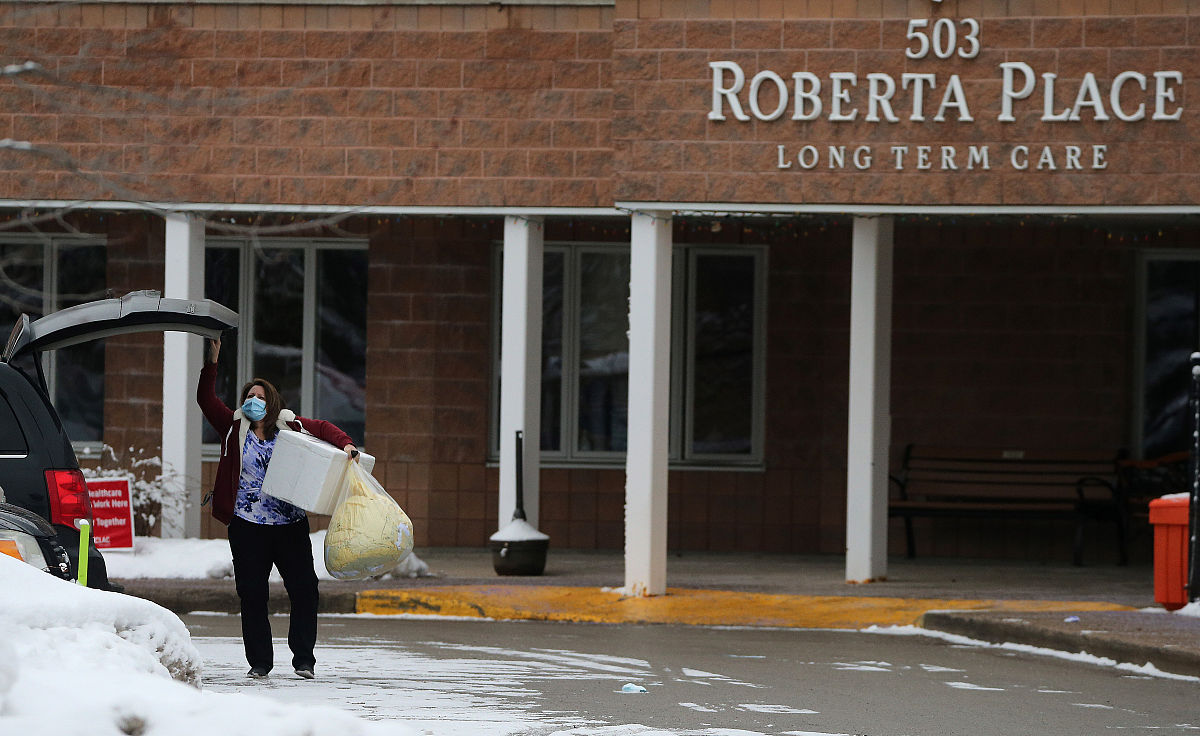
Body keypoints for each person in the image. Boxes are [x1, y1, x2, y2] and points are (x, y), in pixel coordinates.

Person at [197, 337, 358, 680]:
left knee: (305, 590)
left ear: (272, 403)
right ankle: (260, 662)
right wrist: (212, 361)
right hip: (247, 526)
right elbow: (205, 399)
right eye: (249, 397)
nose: (254, 402)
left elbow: (325, 429)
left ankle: (304, 660)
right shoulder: (232, 428)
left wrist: (347, 445)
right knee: (252, 595)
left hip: (289, 525)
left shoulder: (290, 426)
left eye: (260, 397)